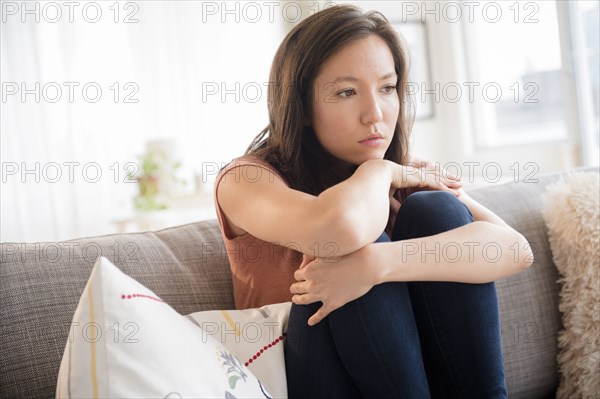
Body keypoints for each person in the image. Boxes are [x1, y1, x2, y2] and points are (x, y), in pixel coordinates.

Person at [214, 4, 533, 398]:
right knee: (345, 254)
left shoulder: (406, 174)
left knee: (436, 211)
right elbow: (337, 229)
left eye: (386, 88)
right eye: (346, 92)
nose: (376, 114)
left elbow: (514, 248)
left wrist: (378, 265)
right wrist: (379, 173)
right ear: (302, 106)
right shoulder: (245, 180)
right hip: (306, 376)